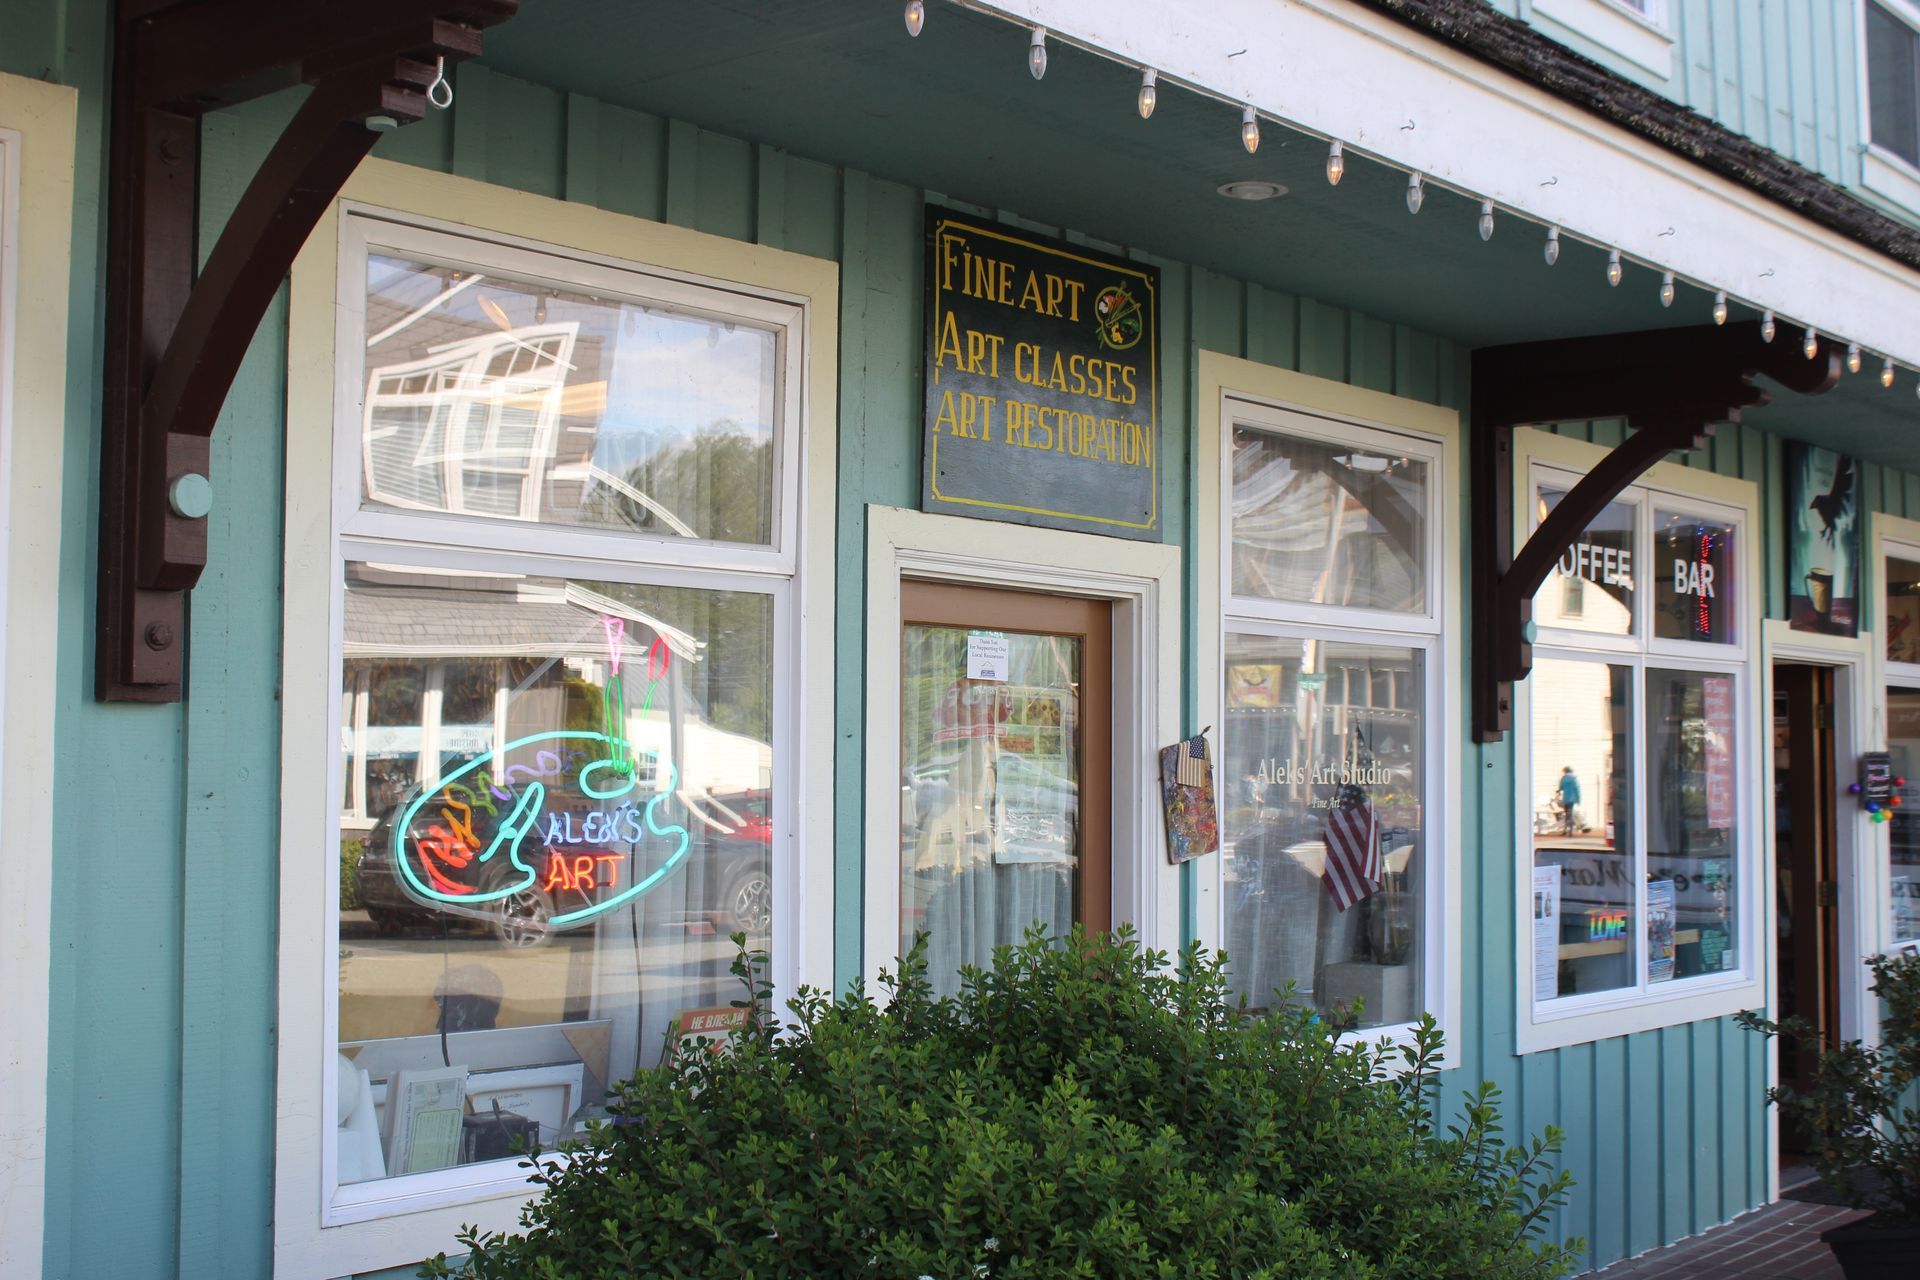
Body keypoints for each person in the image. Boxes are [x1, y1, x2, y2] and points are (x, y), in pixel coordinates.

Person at [1557, 767, 1581, 836]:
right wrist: (1578, 800)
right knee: (1570, 814)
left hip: (1566, 798)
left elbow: (1561, 788)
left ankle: (1565, 829)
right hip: (1572, 799)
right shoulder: (1574, 779)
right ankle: (1570, 831)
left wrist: (1559, 791)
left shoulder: (1563, 778)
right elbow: (1577, 790)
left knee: (1566, 814)